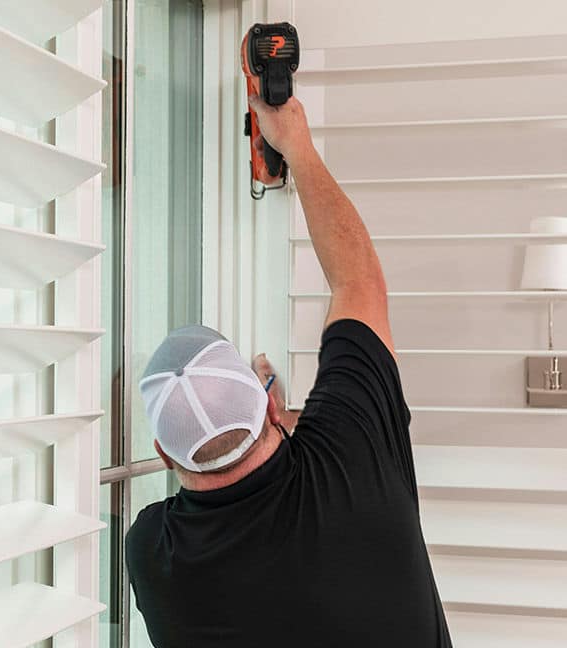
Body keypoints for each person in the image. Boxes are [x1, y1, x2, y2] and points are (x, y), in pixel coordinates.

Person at [125, 94, 452, 647]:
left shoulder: (156, 554)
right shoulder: (351, 456)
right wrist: (294, 143)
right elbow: (358, 286)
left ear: (161, 453)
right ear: (272, 405)